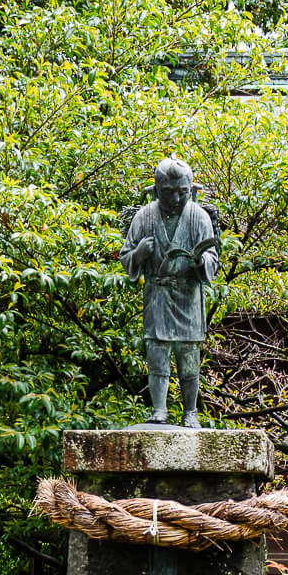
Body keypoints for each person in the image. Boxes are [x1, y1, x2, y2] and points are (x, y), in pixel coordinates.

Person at [119, 157, 219, 426]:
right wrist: (139, 254)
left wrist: (202, 262)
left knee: (189, 357)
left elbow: (212, 256)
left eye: (182, 192)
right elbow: (125, 255)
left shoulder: (199, 216)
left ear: (191, 189)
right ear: (156, 189)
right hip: (158, 294)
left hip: (188, 294)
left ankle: (190, 412)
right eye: (168, 193)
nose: (176, 199)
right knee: (157, 353)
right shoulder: (145, 216)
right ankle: (159, 410)